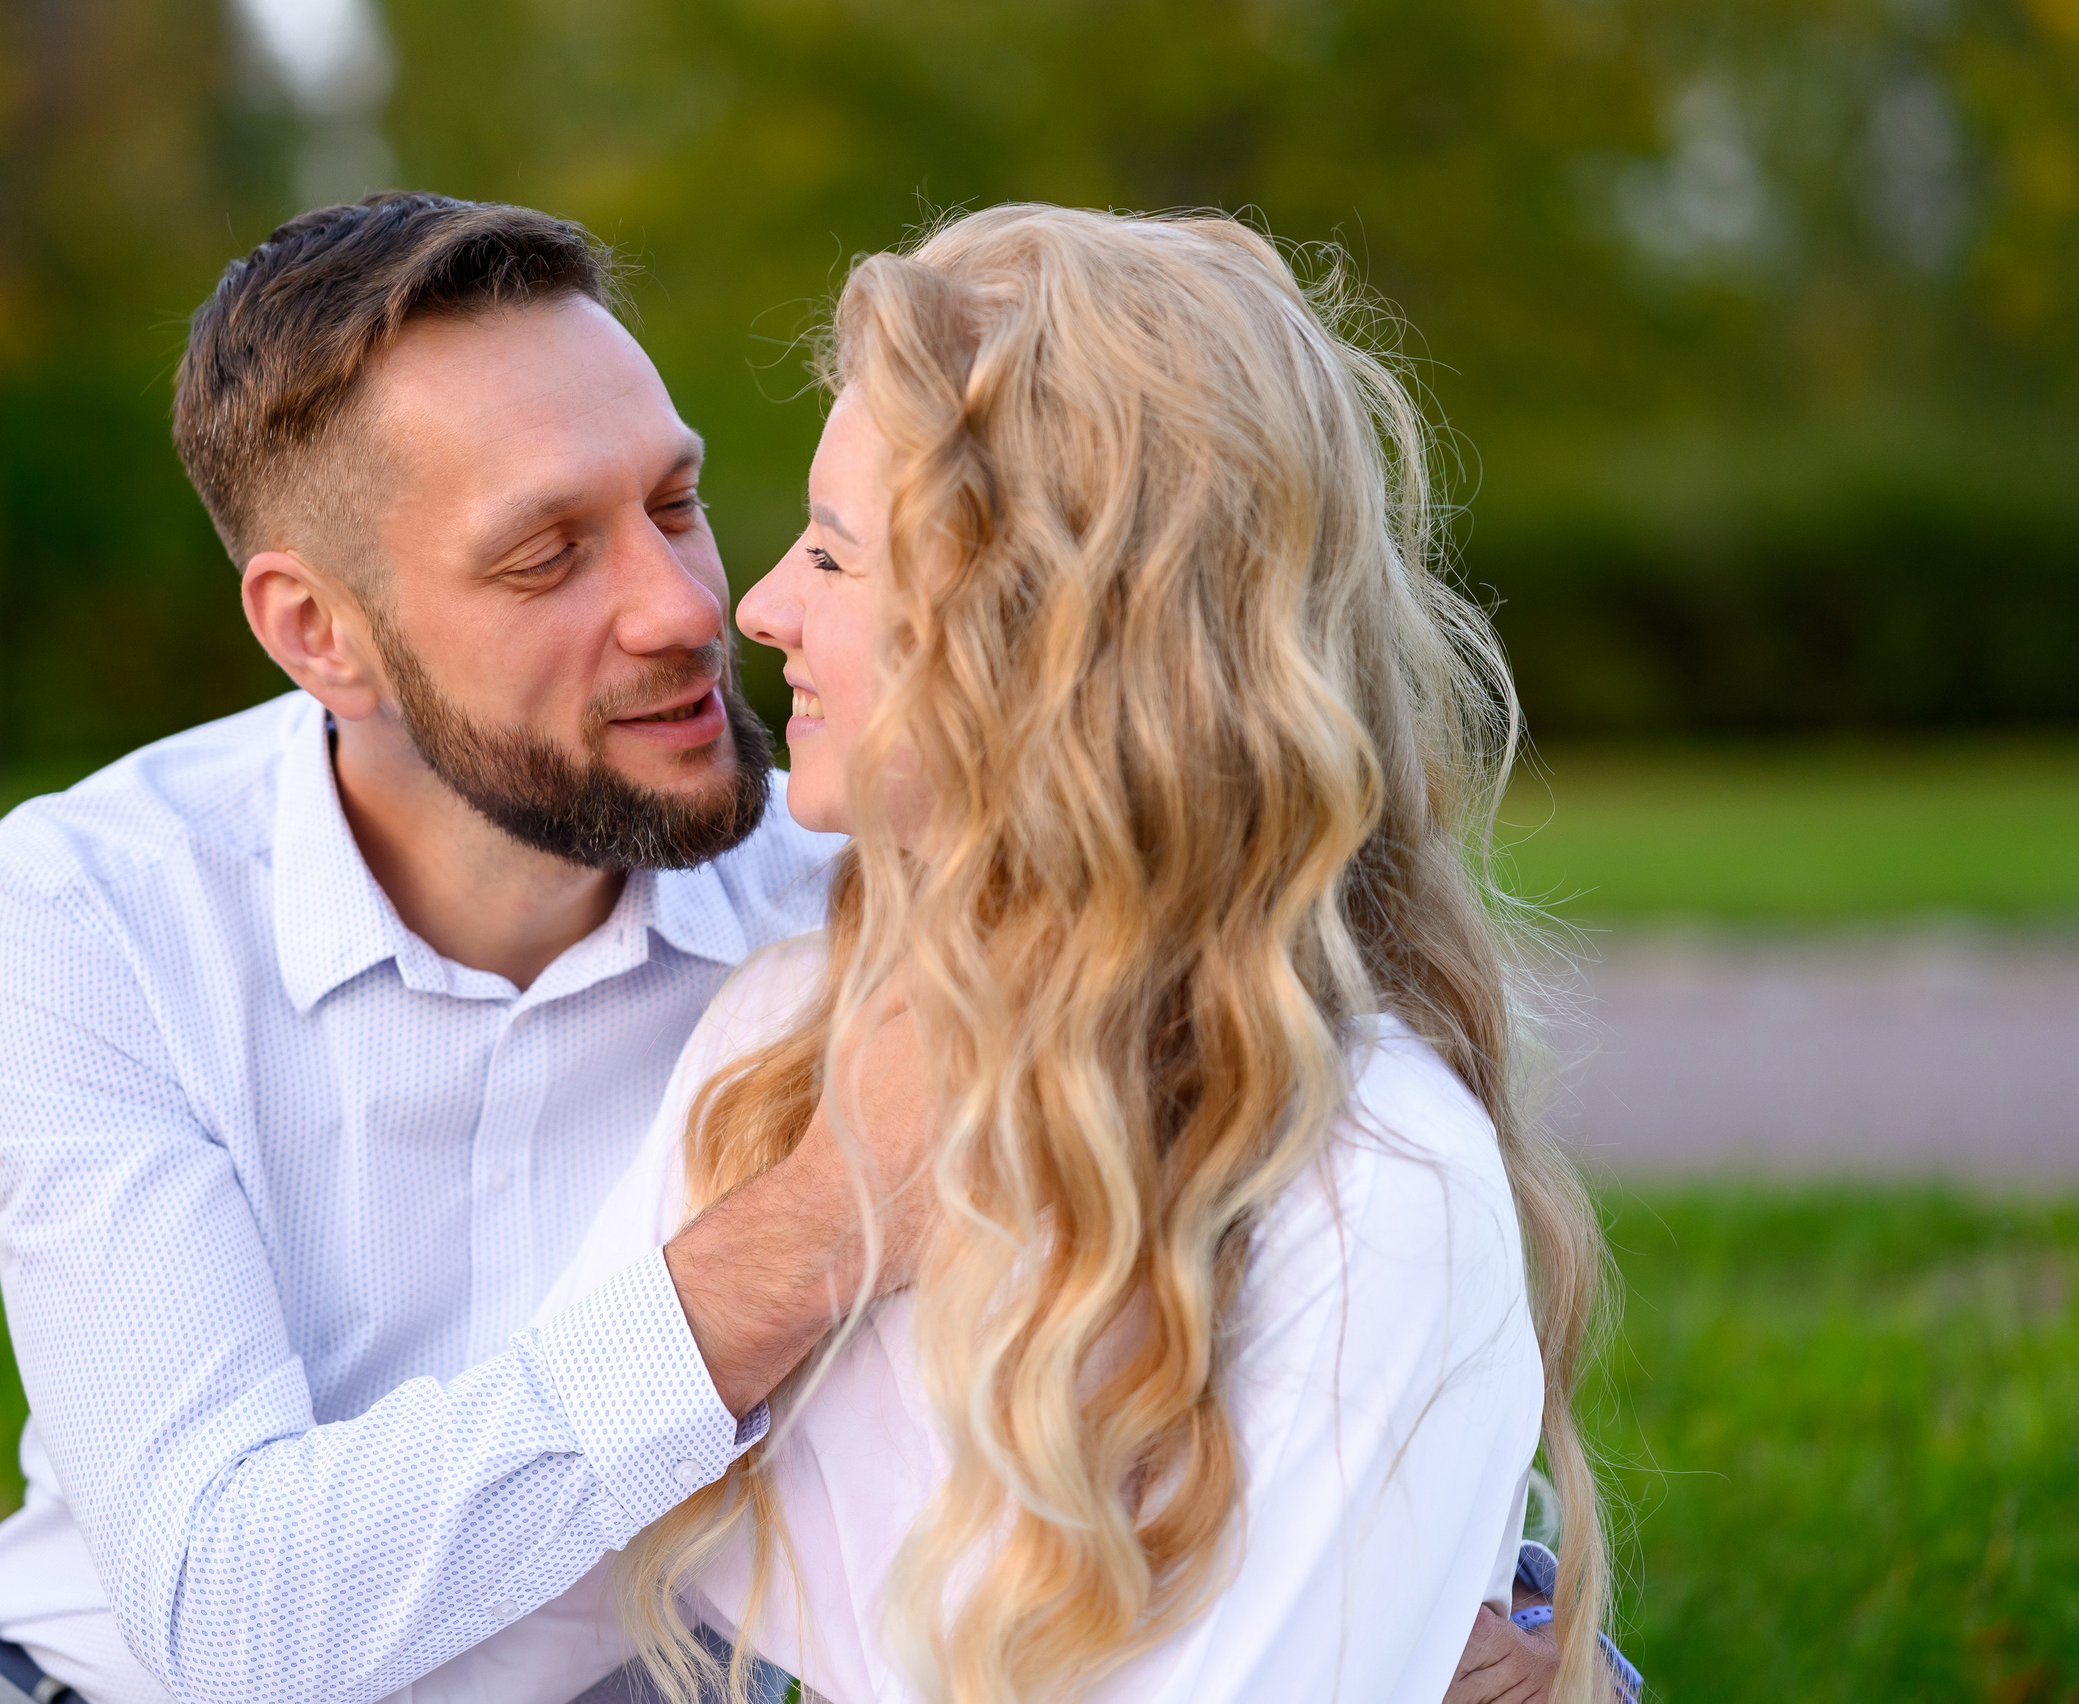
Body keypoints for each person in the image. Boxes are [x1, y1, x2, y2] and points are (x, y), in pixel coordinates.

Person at [0, 194, 1587, 1704]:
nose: (691, 607)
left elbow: (1263, 1287)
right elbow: (227, 1615)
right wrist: (818, 1219)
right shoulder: (91, 911)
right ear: (322, 634)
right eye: (546, 556)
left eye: (676, 501)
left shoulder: (859, 893)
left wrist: (1498, 1620)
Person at [441, 204, 1631, 1704]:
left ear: (1047, 638)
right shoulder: (783, 1040)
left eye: (834, 557)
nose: (759, 607)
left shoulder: (1362, 1176)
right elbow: (496, 1608)